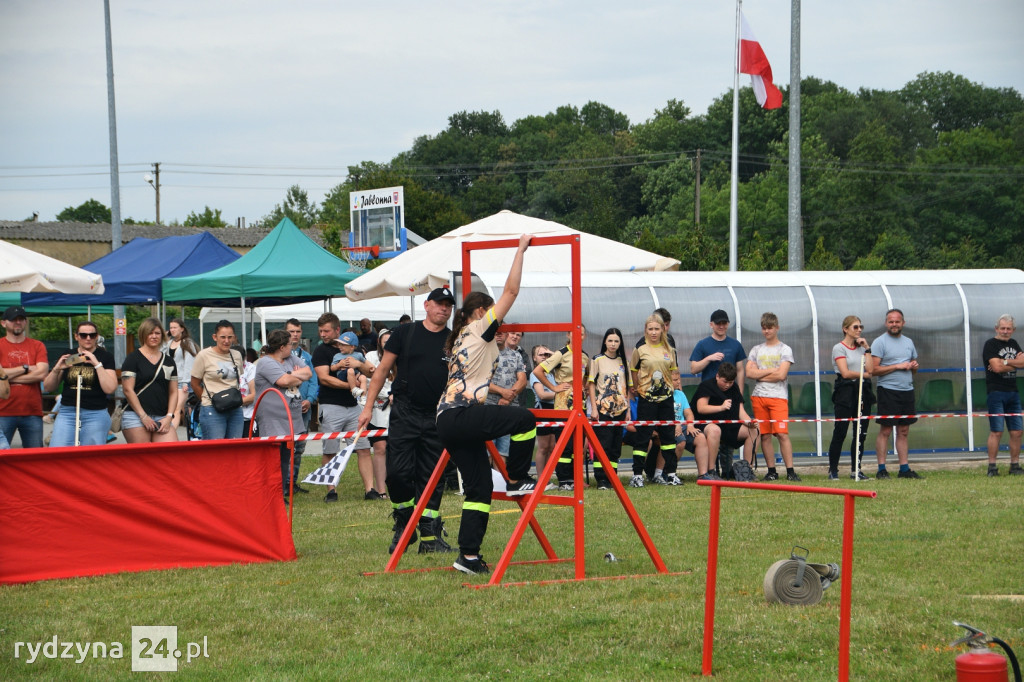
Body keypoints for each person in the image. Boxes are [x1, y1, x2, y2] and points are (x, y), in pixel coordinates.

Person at [435, 234, 536, 575]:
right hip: (462, 414)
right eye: (495, 316)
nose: (502, 323)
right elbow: (511, 293)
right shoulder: (479, 327)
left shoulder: (461, 334)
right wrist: (520, 251)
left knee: (478, 487)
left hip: (447, 419)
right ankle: (519, 477)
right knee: (524, 420)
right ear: (481, 311)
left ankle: (469, 556)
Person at [357, 287, 457, 554]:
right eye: (438, 303)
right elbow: (381, 371)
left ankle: (430, 536)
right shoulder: (405, 333)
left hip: (438, 415)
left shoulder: (453, 339)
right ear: (426, 305)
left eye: (448, 305)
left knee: (432, 476)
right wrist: (367, 408)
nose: (443, 309)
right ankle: (404, 523)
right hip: (405, 411)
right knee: (399, 473)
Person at [313, 312, 372, 503]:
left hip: (354, 406)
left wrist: (357, 366)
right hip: (331, 405)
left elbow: (370, 370)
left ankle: (369, 490)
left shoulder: (357, 351)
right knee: (330, 449)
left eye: (327, 331)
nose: (323, 334)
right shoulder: (321, 351)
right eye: (320, 331)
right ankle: (331, 490)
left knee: (363, 448)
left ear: (337, 330)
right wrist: (351, 386)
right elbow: (324, 377)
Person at [254, 329, 313, 503]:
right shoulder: (265, 362)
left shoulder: (290, 358)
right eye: (289, 345)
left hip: (291, 417)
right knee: (273, 458)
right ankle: (269, 493)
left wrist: (291, 375)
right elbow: (283, 382)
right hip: (272, 418)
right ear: (281, 347)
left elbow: (308, 372)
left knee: (286, 457)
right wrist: (294, 376)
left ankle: (280, 492)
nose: (292, 347)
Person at [42, 320, 117, 447]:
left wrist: (97, 364)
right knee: (58, 450)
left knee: (90, 456)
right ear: (76, 336)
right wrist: (56, 369)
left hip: (95, 412)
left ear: (96, 336)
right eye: (83, 335)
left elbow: (110, 388)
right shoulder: (69, 355)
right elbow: (48, 387)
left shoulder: (105, 357)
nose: (88, 338)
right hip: (68, 411)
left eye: (92, 335)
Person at [532, 326, 589, 489]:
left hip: (581, 403)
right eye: (575, 333)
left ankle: (576, 479)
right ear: (568, 335)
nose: (579, 336)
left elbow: (586, 377)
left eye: (582, 334)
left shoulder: (585, 356)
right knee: (565, 443)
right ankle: (564, 480)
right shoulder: (561, 353)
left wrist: (581, 388)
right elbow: (538, 371)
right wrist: (554, 387)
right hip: (564, 404)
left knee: (578, 443)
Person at [746, 312, 800, 482]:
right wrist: (771, 371)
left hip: (778, 397)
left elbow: (782, 375)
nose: (766, 331)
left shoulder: (785, 349)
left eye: (770, 328)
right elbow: (749, 372)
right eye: (764, 328)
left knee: (782, 434)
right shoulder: (756, 349)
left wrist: (759, 374)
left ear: (777, 328)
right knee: (765, 435)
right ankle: (771, 470)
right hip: (759, 396)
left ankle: (790, 471)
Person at [628, 314, 680, 487]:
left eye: (657, 329)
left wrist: (672, 388)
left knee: (668, 438)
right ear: (646, 330)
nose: (653, 332)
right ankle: (637, 475)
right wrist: (638, 389)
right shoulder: (640, 350)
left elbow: (673, 372)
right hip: (646, 399)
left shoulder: (669, 350)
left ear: (663, 329)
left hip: (666, 399)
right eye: (650, 329)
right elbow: (633, 371)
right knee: (643, 437)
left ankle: (671, 474)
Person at [871, 309, 923, 479]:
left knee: (904, 430)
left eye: (897, 321)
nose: (894, 324)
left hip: (907, 391)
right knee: (886, 430)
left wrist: (913, 367)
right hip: (888, 391)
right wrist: (897, 366)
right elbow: (874, 370)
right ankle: (881, 469)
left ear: (903, 323)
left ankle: (904, 469)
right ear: (886, 323)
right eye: (891, 321)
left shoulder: (908, 342)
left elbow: (913, 370)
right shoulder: (880, 342)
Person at [827, 316, 874, 481]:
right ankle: (833, 469)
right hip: (845, 393)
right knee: (840, 431)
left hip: (862, 392)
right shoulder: (839, 348)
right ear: (845, 329)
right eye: (855, 327)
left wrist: (867, 348)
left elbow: (871, 370)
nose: (859, 330)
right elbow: (845, 372)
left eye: (861, 326)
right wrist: (864, 374)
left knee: (860, 432)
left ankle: (856, 469)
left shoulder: (861, 348)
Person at [121, 318, 178, 444]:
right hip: (135, 416)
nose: (154, 336)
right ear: (143, 335)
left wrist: (169, 416)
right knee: (143, 458)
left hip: (162, 416)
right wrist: (143, 416)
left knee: (171, 455)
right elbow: (127, 390)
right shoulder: (133, 358)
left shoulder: (169, 361)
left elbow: (173, 391)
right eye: (150, 333)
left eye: (157, 333)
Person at [692, 362, 758, 472]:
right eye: (725, 382)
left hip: (728, 426)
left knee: (755, 430)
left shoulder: (734, 388)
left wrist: (750, 422)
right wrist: (721, 407)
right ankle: (711, 471)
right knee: (715, 430)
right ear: (717, 376)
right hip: (704, 424)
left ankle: (747, 470)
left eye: (731, 382)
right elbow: (701, 408)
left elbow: (741, 412)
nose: (727, 385)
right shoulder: (706, 385)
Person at [588, 328, 632, 489]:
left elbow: (626, 388)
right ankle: (601, 479)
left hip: (620, 410)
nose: (613, 344)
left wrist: (627, 410)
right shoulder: (597, 360)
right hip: (603, 410)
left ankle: (612, 476)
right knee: (603, 445)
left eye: (616, 341)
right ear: (605, 342)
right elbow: (591, 385)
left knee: (615, 447)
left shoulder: (623, 361)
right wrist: (594, 408)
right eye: (610, 340)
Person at [0, 306, 49, 448]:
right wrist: (26, 368)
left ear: (25, 322)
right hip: (3, 411)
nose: (17, 322)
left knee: (35, 459)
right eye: (13, 320)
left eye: (21, 319)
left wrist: (6, 376)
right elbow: (36, 372)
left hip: (32, 411)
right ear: (3, 323)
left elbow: (42, 373)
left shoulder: (37, 345)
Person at [982, 314, 1024, 476]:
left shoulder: (1014, 343)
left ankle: (1015, 466)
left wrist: (1005, 362)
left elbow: (1020, 363)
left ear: (1013, 330)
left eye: (1008, 329)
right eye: (1003, 328)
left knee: (1017, 431)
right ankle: (992, 467)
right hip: (996, 392)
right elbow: (996, 368)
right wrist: (1014, 363)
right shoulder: (990, 345)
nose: (1005, 331)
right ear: (997, 328)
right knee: (997, 431)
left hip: (1013, 392)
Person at [190, 320, 245, 440]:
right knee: (215, 450)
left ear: (234, 337)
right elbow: (194, 383)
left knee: (235, 448)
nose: (226, 341)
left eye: (230, 337)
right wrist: (207, 400)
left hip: (235, 407)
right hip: (212, 408)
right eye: (223, 337)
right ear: (215, 337)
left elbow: (238, 378)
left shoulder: (237, 355)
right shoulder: (204, 355)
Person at [286, 318, 318, 494]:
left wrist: (310, 399)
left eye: (297, 331)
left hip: (304, 408)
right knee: (285, 447)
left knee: (299, 448)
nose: (295, 335)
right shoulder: (279, 357)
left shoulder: (306, 357)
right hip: (285, 408)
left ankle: (292, 483)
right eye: (291, 332)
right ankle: (282, 483)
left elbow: (314, 380)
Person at [485, 328, 528, 456]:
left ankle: (501, 476)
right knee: (488, 450)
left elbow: (522, 380)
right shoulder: (483, 353)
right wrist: (503, 392)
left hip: (508, 408)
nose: (498, 334)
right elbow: (479, 381)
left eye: (502, 331)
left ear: (507, 334)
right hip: (487, 407)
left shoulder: (516, 355)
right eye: (496, 331)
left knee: (503, 452)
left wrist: (508, 398)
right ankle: (488, 477)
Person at [362, 327, 393, 499]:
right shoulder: (371, 357)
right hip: (377, 410)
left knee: (397, 450)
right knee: (380, 448)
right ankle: (381, 490)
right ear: (379, 342)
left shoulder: (400, 356)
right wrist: (387, 394)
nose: (388, 344)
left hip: (397, 411)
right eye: (385, 341)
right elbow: (369, 380)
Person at [672, 373, 713, 481]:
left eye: (679, 379)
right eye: (675, 380)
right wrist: (675, 425)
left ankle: (703, 475)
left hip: (683, 425)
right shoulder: (662, 396)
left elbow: (689, 413)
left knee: (700, 437)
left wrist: (690, 424)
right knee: (680, 441)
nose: (679, 382)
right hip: (668, 426)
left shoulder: (680, 394)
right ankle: (670, 472)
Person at [690, 309, 747, 386]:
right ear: (711, 325)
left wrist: (740, 394)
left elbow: (740, 370)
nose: (721, 326)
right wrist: (708, 358)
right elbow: (693, 369)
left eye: (724, 323)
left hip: (729, 391)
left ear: (728, 324)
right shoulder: (702, 344)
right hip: (709, 392)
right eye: (718, 323)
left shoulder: (736, 345)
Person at [529, 345, 558, 487]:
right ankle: (541, 480)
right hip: (542, 410)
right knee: (543, 447)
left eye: (547, 355)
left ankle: (547, 478)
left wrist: (553, 354)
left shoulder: (551, 374)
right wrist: (560, 393)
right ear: (534, 358)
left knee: (552, 446)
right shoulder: (535, 373)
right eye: (541, 355)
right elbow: (542, 394)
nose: (545, 358)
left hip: (554, 409)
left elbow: (562, 361)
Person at [165, 318, 198, 422]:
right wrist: (165, 338)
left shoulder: (187, 342)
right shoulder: (169, 343)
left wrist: (186, 382)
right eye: (171, 328)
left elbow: (189, 363)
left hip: (182, 381)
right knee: (170, 409)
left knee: (176, 409)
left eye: (175, 327)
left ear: (182, 329)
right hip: (170, 380)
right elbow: (160, 353)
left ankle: (171, 434)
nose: (172, 330)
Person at [240, 348, 258, 437]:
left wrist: (232, 403)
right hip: (229, 418)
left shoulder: (250, 368)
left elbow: (254, 395)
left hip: (248, 417)